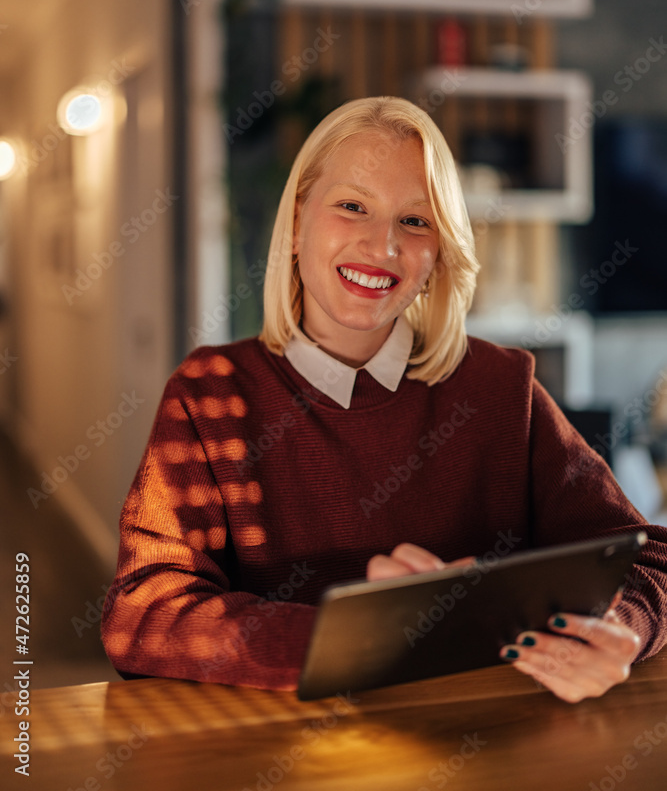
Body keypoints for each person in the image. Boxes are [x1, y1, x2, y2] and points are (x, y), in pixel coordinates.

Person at [101, 96, 667, 703]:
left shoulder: (502, 387)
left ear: (439, 253)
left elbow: (652, 559)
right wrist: (357, 638)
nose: (383, 245)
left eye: (415, 221)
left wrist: (620, 629)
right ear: (295, 225)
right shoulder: (209, 394)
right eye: (352, 206)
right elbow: (143, 614)